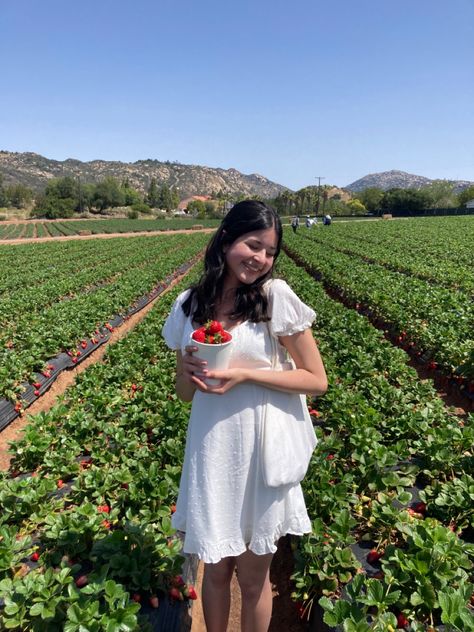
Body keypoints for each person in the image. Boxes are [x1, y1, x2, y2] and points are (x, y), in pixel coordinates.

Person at [162, 200, 328, 632]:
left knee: (253, 580)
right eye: (253, 245)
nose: (260, 259)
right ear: (226, 239)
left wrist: (245, 374)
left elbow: (316, 379)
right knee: (215, 573)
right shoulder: (189, 305)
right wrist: (184, 372)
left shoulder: (275, 298)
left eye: (269, 251)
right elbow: (184, 395)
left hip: (259, 458)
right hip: (213, 453)